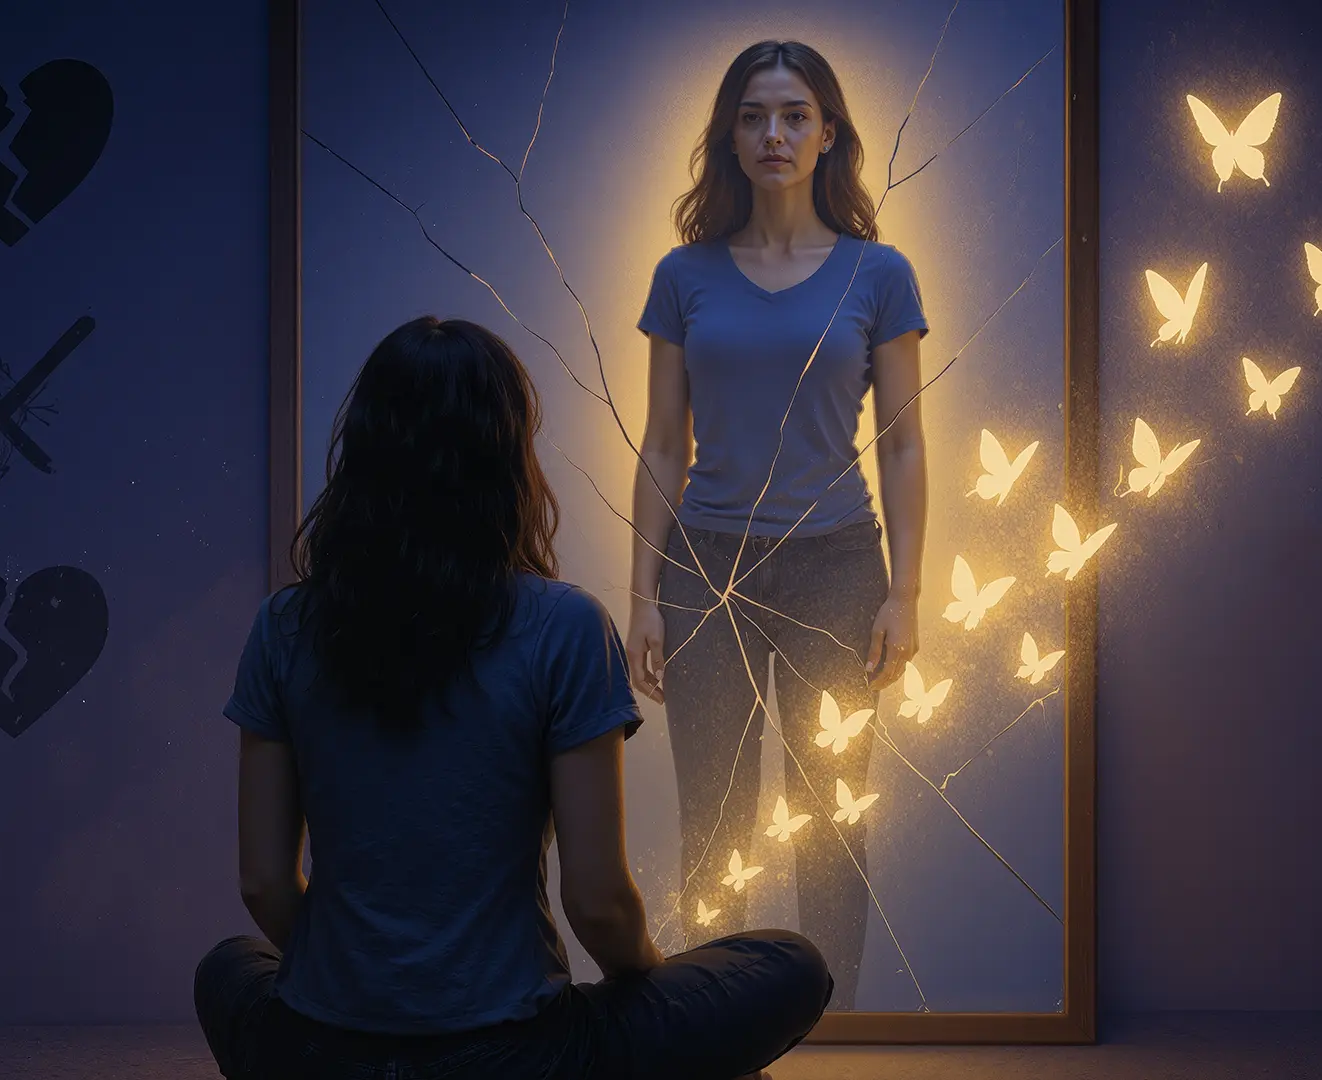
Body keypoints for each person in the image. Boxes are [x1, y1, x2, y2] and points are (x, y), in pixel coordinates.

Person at [192, 314, 830, 1079]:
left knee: (229, 967)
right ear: (507, 455)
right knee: (788, 963)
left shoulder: (283, 625)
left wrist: (367, 991)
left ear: (361, 451)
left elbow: (263, 881)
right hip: (517, 1057)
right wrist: (649, 993)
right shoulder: (562, 626)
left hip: (322, 1051)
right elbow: (596, 903)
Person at [627, 40, 931, 1013]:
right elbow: (663, 446)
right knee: (713, 822)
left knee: (831, 820)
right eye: (754, 116)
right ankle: (718, 1038)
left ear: (827, 132)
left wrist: (906, 590)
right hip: (704, 563)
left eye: (794, 114)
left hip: (839, 566)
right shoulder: (685, 275)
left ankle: (829, 1033)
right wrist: (643, 598)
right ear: (730, 136)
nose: (774, 133)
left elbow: (904, 447)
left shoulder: (879, 274)